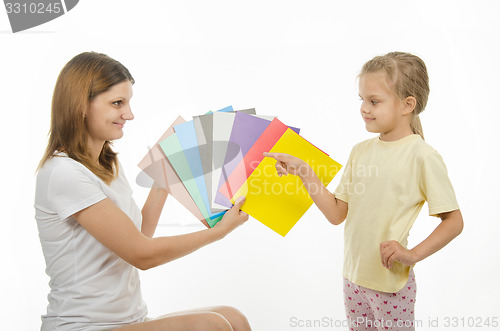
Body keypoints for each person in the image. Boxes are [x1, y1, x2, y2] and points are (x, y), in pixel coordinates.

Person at [35, 51, 252, 331]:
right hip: (83, 326)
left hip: (130, 320)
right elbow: (142, 254)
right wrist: (218, 232)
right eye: (117, 103)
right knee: (212, 326)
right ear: (81, 106)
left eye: (128, 103)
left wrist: (165, 177)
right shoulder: (64, 173)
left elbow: (138, 237)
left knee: (233, 317)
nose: (129, 114)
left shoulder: (107, 164)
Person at [264, 52, 463, 330]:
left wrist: (413, 254)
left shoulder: (422, 157)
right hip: (353, 280)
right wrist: (304, 171)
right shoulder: (360, 152)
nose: (364, 109)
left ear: (408, 105)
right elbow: (336, 214)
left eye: (374, 101)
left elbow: (454, 222)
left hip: (390, 284)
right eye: (362, 100)